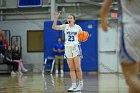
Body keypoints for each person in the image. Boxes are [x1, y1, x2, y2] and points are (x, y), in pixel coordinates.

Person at [100, 0, 140, 93]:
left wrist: (104, 21)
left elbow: (104, 7)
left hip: (131, 27)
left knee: (130, 76)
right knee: (134, 74)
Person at [52, 12, 83, 92]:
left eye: (70, 18)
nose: (69, 19)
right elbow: (54, 27)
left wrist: (83, 38)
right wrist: (56, 19)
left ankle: (80, 84)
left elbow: (82, 37)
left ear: (74, 20)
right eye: (68, 18)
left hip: (75, 47)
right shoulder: (65, 26)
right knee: (71, 68)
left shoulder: (78, 27)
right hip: (67, 47)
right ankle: (73, 85)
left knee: (78, 68)